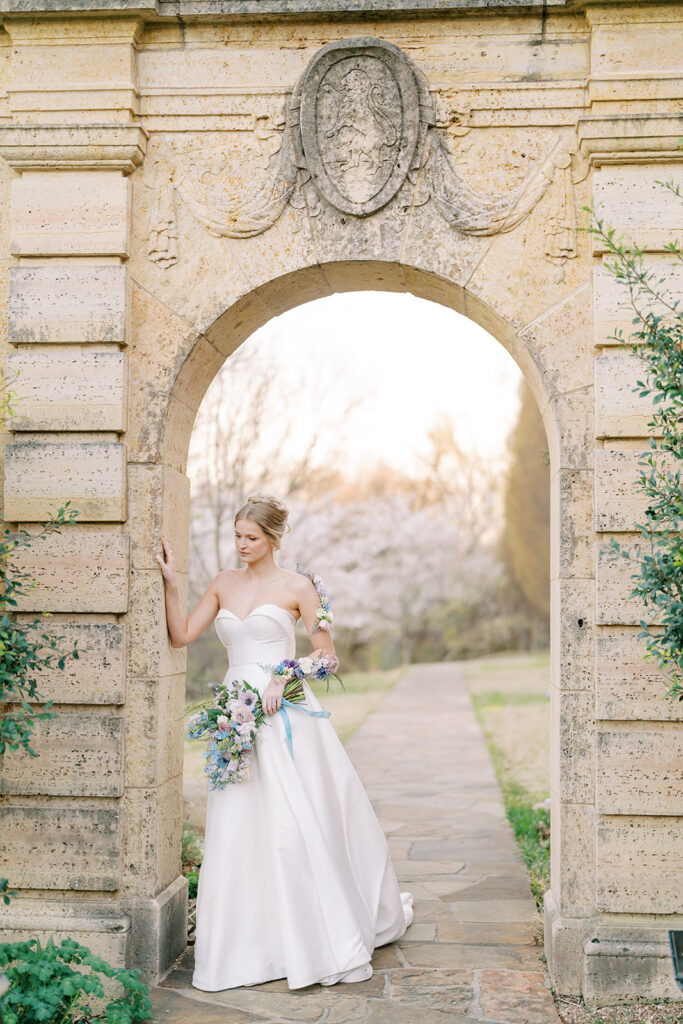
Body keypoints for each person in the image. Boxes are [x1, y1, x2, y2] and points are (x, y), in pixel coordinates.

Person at [156, 492, 414, 991]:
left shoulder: (298, 586)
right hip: (235, 717)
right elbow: (183, 634)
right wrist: (171, 584)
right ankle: (248, 942)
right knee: (239, 825)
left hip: (283, 715)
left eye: (250, 538)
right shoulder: (224, 583)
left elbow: (328, 657)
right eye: (236, 536)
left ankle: (314, 932)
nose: (241, 545)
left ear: (273, 538)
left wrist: (285, 675)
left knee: (293, 822)